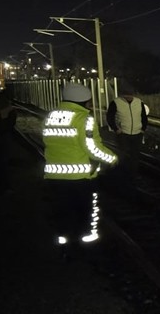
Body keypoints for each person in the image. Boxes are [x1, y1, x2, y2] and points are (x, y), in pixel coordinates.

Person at [43, 82, 118, 259]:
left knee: (62, 211)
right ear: (84, 100)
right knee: (87, 212)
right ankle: (87, 248)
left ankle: (64, 246)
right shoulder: (84, 119)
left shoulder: (51, 116)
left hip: (54, 175)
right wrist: (112, 158)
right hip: (80, 176)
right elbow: (92, 148)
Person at [106, 83, 150, 180]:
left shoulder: (139, 102)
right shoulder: (116, 103)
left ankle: (132, 175)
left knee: (135, 156)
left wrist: (143, 129)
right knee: (123, 155)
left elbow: (144, 117)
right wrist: (116, 129)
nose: (129, 97)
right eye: (127, 95)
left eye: (130, 94)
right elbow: (110, 117)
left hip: (137, 133)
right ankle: (123, 174)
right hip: (123, 134)